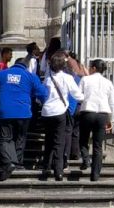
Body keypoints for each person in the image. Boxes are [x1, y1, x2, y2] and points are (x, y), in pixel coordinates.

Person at [0, 52, 46, 181]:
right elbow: (43, 93)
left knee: (5, 139)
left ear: (14, 65)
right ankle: (18, 163)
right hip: (23, 112)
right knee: (20, 138)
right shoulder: (30, 76)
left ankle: (8, 162)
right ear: (26, 66)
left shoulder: (0, 74)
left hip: (5, 111)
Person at [36, 51, 84, 180]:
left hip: (46, 112)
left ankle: (46, 165)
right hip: (60, 112)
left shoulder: (48, 78)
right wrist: (85, 97)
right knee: (59, 142)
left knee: (49, 139)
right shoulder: (67, 78)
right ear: (63, 65)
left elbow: (42, 95)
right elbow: (77, 94)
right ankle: (58, 170)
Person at [77, 57, 114, 182]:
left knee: (83, 140)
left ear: (93, 68)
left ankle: (85, 159)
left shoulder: (85, 79)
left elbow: (79, 96)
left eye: (90, 67)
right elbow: (112, 103)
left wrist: (85, 99)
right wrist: (111, 119)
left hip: (88, 111)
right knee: (98, 146)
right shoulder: (108, 83)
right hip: (103, 114)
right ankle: (95, 175)